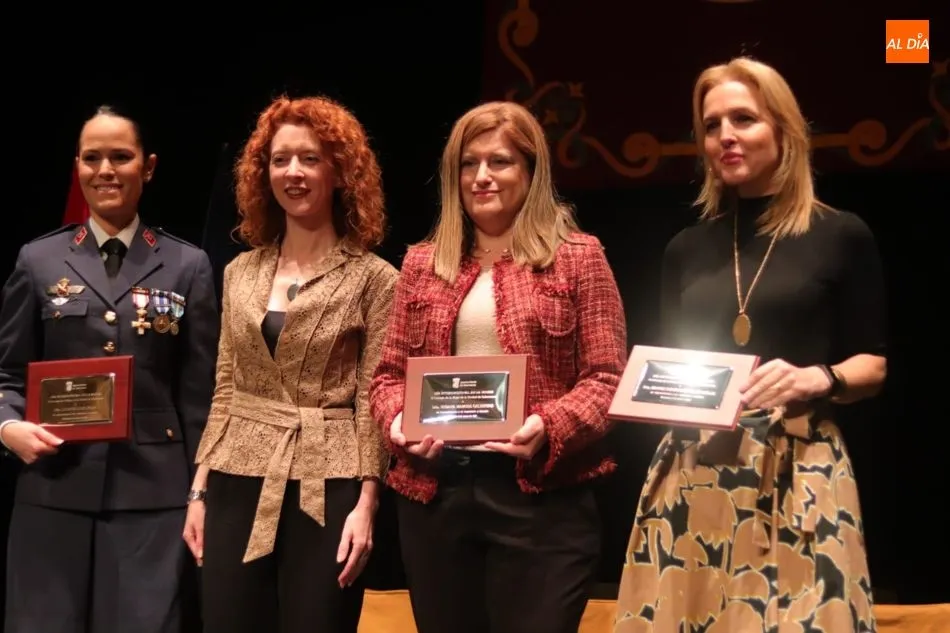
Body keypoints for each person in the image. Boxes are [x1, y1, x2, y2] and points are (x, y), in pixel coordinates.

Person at [613, 57, 885, 633]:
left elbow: (875, 364)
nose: (726, 137)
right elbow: (671, 364)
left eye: (744, 119)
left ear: (783, 129)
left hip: (799, 469)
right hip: (696, 470)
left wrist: (821, 378)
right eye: (712, 125)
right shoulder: (685, 249)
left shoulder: (840, 234)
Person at [369, 101, 628, 633]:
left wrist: (547, 426)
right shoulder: (422, 262)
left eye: (501, 162)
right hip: (436, 497)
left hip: (541, 500)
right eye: (469, 164)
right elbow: (388, 377)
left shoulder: (579, 256)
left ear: (531, 173)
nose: (481, 177)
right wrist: (398, 422)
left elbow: (607, 379)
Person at [0, 104, 219, 633]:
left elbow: (202, 395)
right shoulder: (39, 260)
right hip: (52, 491)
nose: (106, 170)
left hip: (153, 497)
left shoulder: (187, 264)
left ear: (147, 167)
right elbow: (7, 375)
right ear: (77, 166)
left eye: (121, 157)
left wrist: (200, 493)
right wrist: (8, 427)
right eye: (92, 158)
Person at [183, 95, 398, 633]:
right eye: (280, 160)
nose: (293, 172)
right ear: (263, 173)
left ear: (340, 172)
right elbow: (226, 385)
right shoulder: (238, 271)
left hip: (329, 483)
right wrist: (200, 489)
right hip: (234, 477)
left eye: (310, 158)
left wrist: (368, 503)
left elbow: (375, 398)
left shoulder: (375, 278)